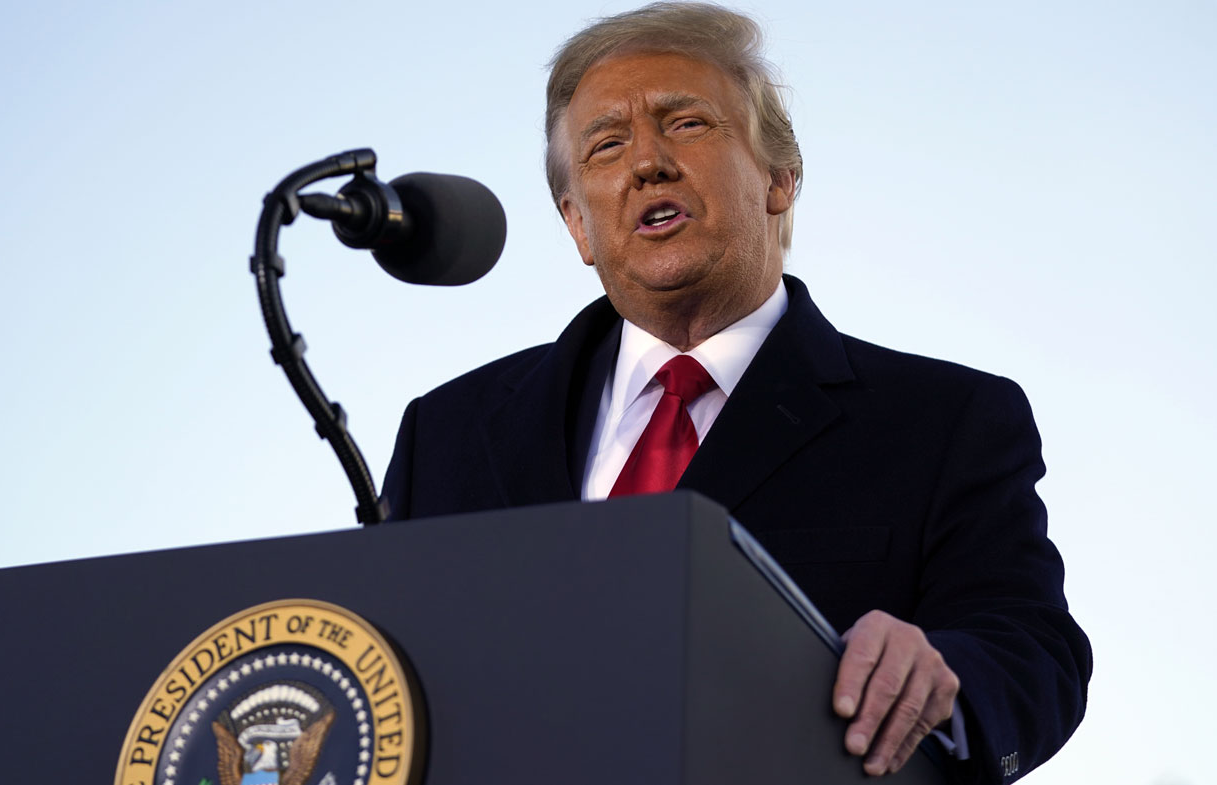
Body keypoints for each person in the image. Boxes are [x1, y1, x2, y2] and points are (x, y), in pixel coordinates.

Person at [380, 3, 1091, 783]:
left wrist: (943, 672)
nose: (647, 162)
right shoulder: (446, 432)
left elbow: (1032, 650)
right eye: (607, 144)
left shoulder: (945, 418)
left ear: (779, 179)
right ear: (578, 225)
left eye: (685, 123)